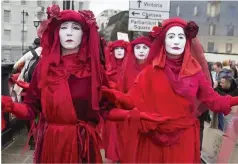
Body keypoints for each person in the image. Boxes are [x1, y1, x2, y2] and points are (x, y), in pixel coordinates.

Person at [101, 17, 238, 163]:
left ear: (186, 41)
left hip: (183, 140)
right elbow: (131, 99)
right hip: (153, 141)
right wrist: (112, 95)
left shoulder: (195, 72)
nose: (176, 41)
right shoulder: (149, 72)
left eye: (181, 36)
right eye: (171, 36)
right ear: (163, 41)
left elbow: (214, 100)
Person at [2, 5, 107, 163]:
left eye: (76, 28)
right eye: (64, 27)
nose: (69, 32)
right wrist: (10, 105)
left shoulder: (94, 71)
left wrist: (134, 112)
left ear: (84, 34)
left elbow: (107, 108)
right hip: (52, 143)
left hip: (82, 145)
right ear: (57, 33)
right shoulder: (43, 69)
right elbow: (31, 109)